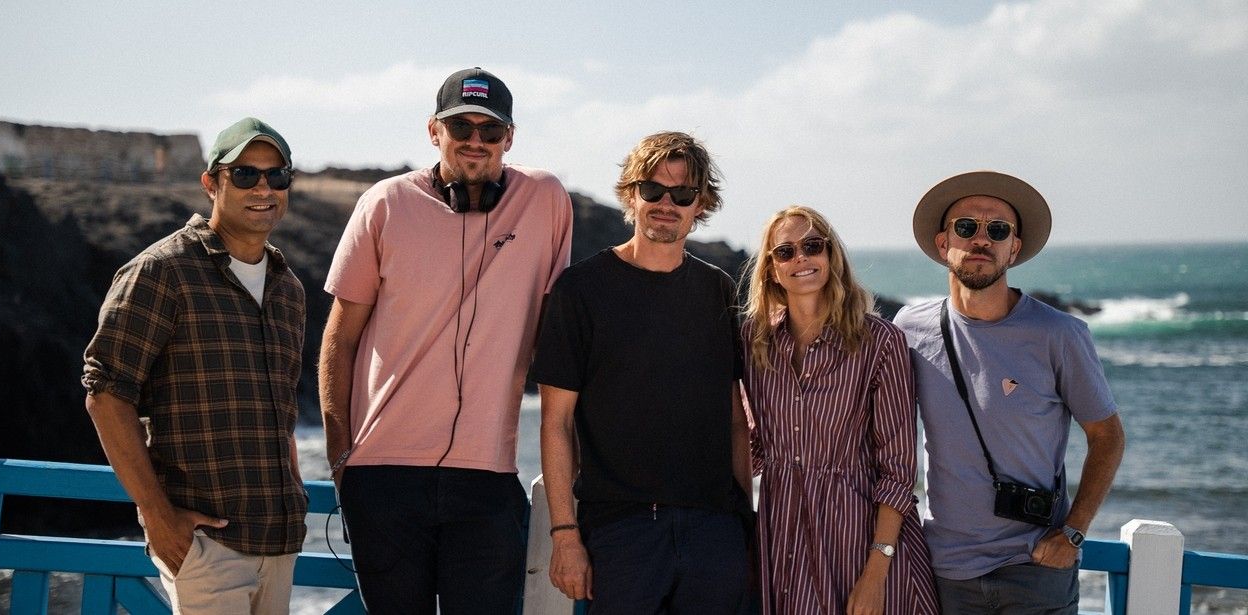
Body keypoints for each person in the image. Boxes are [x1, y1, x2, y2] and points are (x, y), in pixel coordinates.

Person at [318, 67, 573, 614]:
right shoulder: (385, 204)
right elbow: (338, 340)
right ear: (434, 131)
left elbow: (560, 335)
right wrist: (342, 460)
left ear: (510, 137)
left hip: (487, 477)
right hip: (382, 478)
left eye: (491, 130)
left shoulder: (547, 199)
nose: (476, 142)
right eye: (462, 128)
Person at [83, 117, 307, 614]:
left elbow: (281, 406)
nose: (263, 189)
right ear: (212, 183)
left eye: (277, 176)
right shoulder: (162, 271)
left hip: (280, 539)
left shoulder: (288, 288)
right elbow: (105, 393)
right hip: (206, 544)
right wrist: (157, 517)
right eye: (245, 175)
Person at [534, 131, 754, 613]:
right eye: (652, 190)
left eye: (683, 194)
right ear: (631, 194)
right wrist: (565, 535)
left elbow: (736, 417)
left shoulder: (718, 291)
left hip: (715, 532)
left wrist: (747, 523)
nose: (666, 204)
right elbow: (556, 423)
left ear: (701, 204)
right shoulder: (581, 290)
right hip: (620, 533)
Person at [893, 171, 1126, 613]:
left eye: (997, 230)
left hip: (1035, 567)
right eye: (967, 227)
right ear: (944, 243)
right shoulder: (908, 328)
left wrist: (1074, 533)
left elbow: (1108, 436)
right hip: (946, 571)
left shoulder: (1060, 334)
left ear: (1013, 248)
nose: (981, 239)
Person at [741, 206, 938, 614]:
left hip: (862, 544)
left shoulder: (880, 342)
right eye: (785, 252)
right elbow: (753, 446)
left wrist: (875, 574)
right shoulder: (753, 341)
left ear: (831, 257)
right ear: (771, 270)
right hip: (783, 546)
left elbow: (899, 471)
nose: (801, 259)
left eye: (813, 246)